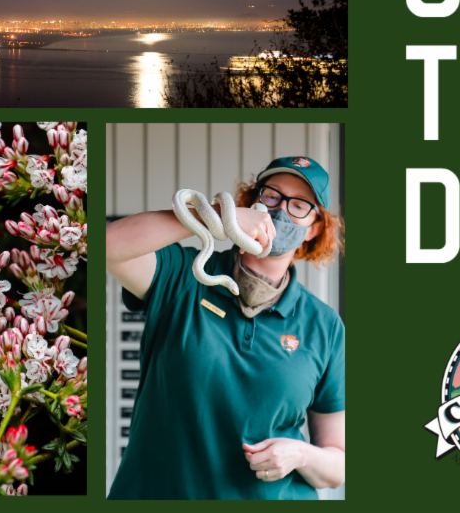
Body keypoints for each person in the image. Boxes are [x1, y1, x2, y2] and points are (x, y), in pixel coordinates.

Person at [106, 156, 346, 500]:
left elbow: (336, 466)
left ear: (315, 228)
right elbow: (106, 245)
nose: (280, 212)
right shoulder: (185, 275)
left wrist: (301, 455)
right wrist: (215, 216)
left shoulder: (323, 325)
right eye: (272, 196)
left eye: (299, 206)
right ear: (251, 203)